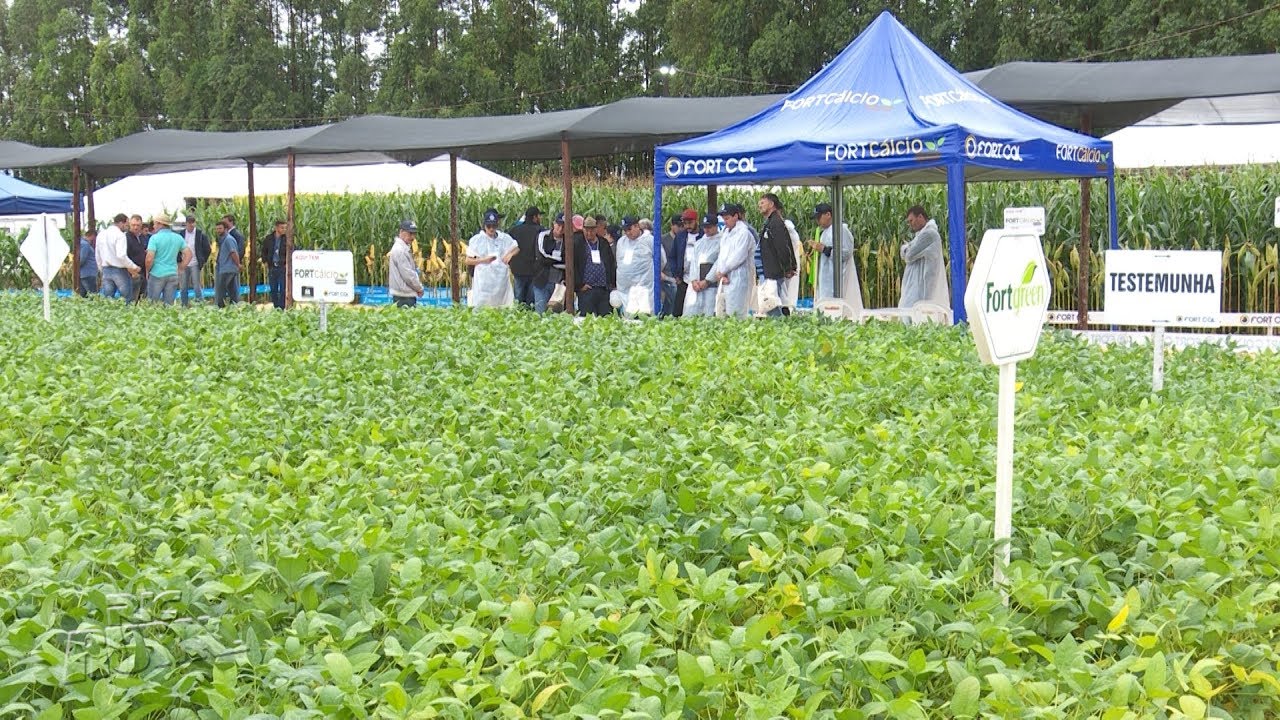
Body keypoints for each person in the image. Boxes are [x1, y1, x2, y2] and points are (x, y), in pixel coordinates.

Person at [810, 203, 863, 313]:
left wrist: (824, 249)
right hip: (828, 279)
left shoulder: (841, 230)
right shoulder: (825, 233)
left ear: (828, 214)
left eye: (819, 217)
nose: (817, 221)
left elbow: (845, 253)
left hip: (839, 279)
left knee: (840, 309)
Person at [707, 204, 755, 318]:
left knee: (737, 312)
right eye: (723, 219)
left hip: (739, 277)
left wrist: (722, 271)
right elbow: (722, 255)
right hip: (725, 277)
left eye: (727, 218)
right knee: (724, 311)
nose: (725, 221)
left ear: (736, 216)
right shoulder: (726, 233)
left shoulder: (744, 233)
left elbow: (738, 257)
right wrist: (719, 272)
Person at [899, 205, 950, 310]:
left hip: (922, 286)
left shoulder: (929, 234)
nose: (910, 224)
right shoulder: (921, 235)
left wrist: (905, 248)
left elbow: (908, 255)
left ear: (920, 217)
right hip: (917, 284)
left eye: (911, 220)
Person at [466, 208, 519, 308]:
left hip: (500, 282)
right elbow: (468, 260)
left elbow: (516, 248)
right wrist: (483, 260)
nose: (491, 229)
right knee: (483, 308)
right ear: (484, 226)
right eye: (488, 226)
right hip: (484, 284)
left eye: (494, 226)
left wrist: (510, 254)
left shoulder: (503, 238)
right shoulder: (477, 240)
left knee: (501, 308)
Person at [615, 215, 665, 315]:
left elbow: (661, 260)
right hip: (626, 289)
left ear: (637, 226)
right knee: (628, 317)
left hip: (644, 287)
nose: (628, 233)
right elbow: (618, 261)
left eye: (630, 229)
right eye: (625, 230)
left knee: (644, 315)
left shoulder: (650, 240)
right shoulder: (621, 242)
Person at [758, 193, 798, 317]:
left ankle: (780, 326)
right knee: (773, 301)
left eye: (763, 203)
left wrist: (788, 267)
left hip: (774, 272)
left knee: (772, 303)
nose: (759, 205)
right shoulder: (770, 222)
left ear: (771, 204)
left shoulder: (776, 223)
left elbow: (782, 247)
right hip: (770, 272)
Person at [573, 214, 617, 317]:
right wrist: (579, 285)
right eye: (586, 230)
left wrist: (611, 283)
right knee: (585, 318)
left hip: (603, 289)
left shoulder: (603, 243)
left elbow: (610, 263)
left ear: (596, 229)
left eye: (592, 230)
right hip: (587, 289)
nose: (589, 233)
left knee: (606, 318)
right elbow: (573, 266)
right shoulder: (578, 243)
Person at [145, 215, 190, 305]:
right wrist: (181, 267)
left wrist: (147, 271)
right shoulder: (178, 237)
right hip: (172, 273)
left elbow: (149, 258)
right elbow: (189, 254)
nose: (153, 226)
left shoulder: (154, 238)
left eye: (154, 224)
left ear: (160, 224)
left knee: (152, 304)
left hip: (157, 273)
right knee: (169, 305)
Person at [683, 214, 722, 317]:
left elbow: (719, 262)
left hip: (711, 283)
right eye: (705, 227)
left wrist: (708, 280)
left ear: (716, 226)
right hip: (697, 283)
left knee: (709, 310)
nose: (707, 230)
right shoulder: (699, 243)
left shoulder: (721, 241)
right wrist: (694, 280)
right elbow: (694, 263)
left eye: (709, 227)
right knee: (693, 311)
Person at [507, 206, 545, 309]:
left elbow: (507, 247)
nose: (540, 218)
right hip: (533, 271)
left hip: (518, 270)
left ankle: (517, 318)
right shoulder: (540, 231)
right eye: (539, 216)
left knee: (518, 298)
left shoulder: (514, 230)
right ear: (535, 217)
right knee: (531, 301)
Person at [98, 214, 140, 302]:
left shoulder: (101, 234)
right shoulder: (120, 235)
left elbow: (97, 254)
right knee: (126, 298)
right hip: (119, 270)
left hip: (106, 269)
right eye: (127, 224)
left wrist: (101, 268)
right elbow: (121, 255)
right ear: (121, 223)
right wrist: (133, 266)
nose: (127, 227)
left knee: (108, 299)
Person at [534, 213, 566, 313]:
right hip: (542, 281)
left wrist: (553, 261)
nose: (560, 229)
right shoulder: (543, 236)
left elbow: (569, 261)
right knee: (540, 313)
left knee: (558, 316)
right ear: (554, 224)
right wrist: (559, 260)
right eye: (559, 225)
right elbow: (541, 256)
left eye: (563, 226)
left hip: (560, 283)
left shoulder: (568, 240)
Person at [389, 220, 424, 307]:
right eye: (410, 233)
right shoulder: (400, 250)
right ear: (401, 232)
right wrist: (419, 288)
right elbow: (408, 275)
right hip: (404, 296)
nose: (412, 237)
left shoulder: (403, 248)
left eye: (414, 234)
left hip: (403, 294)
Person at [178, 214, 210, 307]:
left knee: (196, 286)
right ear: (186, 224)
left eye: (193, 224)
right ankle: (184, 305)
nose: (191, 226)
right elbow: (178, 248)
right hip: (184, 264)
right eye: (189, 224)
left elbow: (207, 249)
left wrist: (203, 260)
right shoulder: (181, 234)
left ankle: (200, 304)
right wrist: (179, 260)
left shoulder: (200, 234)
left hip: (195, 263)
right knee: (183, 287)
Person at [212, 220, 242, 307]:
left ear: (225, 229)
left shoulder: (228, 239)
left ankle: (222, 307)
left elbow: (233, 253)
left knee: (221, 291)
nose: (218, 231)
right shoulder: (223, 239)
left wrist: (238, 264)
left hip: (227, 269)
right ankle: (233, 306)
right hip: (224, 268)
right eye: (217, 229)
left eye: (220, 228)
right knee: (232, 291)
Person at [260, 220, 289, 310]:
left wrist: (287, 264)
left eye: (285, 228)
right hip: (272, 266)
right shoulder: (269, 239)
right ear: (276, 228)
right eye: (282, 227)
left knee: (283, 288)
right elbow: (264, 250)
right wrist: (265, 261)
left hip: (282, 267)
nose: (284, 229)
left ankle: (282, 307)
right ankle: (276, 306)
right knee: (273, 289)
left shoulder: (287, 239)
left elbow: (292, 251)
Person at [126, 215, 151, 302]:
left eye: (138, 225)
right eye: (133, 225)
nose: (135, 227)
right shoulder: (126, 238)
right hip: (132, 273)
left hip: (143, 272)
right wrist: (132, 271)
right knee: (133, 299)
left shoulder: (142, 237)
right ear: (129, 224)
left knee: (142, 299)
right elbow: (125, 256)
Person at [78, 229, 98, 297]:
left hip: (84, 273)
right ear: (92, 236)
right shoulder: (85, 244)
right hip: (88, 273)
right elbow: (82, 259)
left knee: (84, 294)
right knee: (92, 294)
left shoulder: (82, 243)